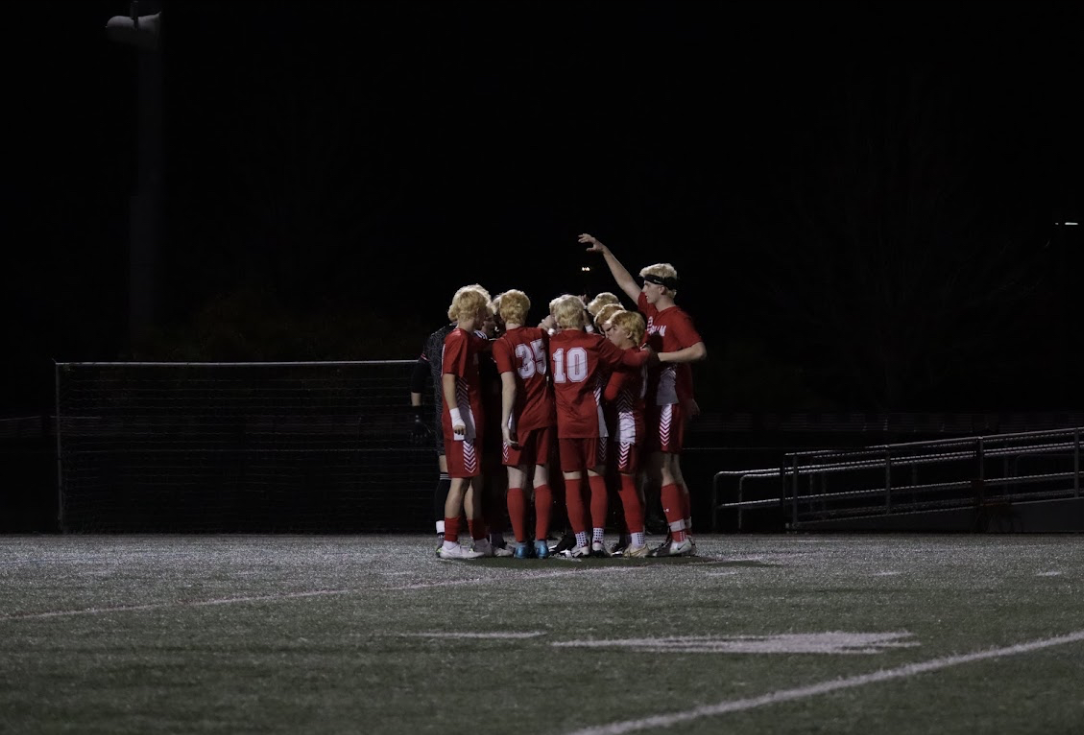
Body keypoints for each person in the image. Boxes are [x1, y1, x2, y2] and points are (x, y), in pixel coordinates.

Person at [579, 233, 707, 557]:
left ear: (662, 286)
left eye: (648, 284)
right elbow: (624, 283)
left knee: (663, 468)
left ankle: (680, 537)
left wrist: (660, 359)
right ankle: (681, 534)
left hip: (668, 398)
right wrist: (606, 250)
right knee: (667, 468)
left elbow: (698, 350)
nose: (643, 289)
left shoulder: (676, 316)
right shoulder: (653, 312)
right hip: (661, 399)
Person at [547, 293, 656, 557]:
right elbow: (631, 360)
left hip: (565, 425)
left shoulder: (550, 342)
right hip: (592, 422)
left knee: (572, 485)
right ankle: (597, 542)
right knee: (597, 482)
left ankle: (582, 543)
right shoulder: (595, 342)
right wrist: (649, 350)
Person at [491, 289, 557, 559]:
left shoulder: (502, 343)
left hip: (521, 417)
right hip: (545, 412)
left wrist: (505, 422)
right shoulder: (539, 336)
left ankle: (521, 543)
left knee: (516, 481)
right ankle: (541, 541)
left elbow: (510, 385)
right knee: (542, 478)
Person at [437, 286, 493, 560]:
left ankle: (480, 540)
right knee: (460, 481)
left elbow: (488, 341)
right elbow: (448, 378)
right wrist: (457, 415)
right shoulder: (458, 338)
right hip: (463, 419)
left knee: (473, 481)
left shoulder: (467, 338)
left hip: (469, 417)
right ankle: (449, 543)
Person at [602, 309, 651, 557]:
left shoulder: (627, 360)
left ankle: (638, 542)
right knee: (628, 483)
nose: (610, 334)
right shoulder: (635, 355)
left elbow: (609, 395)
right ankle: (635, 540)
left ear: (629, 332)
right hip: (632, 422)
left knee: (626, 483)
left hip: (627, 424)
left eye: (615, 329)